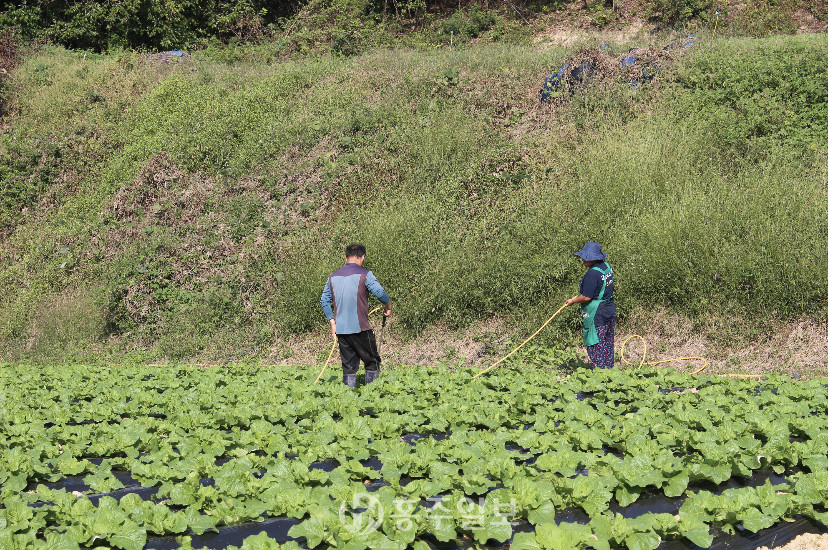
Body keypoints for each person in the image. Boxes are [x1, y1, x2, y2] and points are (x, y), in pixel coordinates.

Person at [320, 243, 392, 387]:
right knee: (372, 362)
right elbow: (380, 293)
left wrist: (332, 323)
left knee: (349, 367)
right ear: (363, 257)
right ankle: (371, 399)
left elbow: (324, 301)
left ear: (345, 257)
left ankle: (350, 399)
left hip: (342, 331)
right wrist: (388, 305)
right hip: (361, 329)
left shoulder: (332, 277)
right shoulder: (365, 274)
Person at [564, 242, 616, 368]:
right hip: (609, 307)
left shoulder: (592, 274)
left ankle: (599, 373)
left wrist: (572, 301)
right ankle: (608, 371)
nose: (582, 259)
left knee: (596, 342)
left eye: (585, 257)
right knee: (607, 341)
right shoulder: (606, 267)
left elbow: (586, 297)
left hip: (598, 312)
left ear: (593, 258)